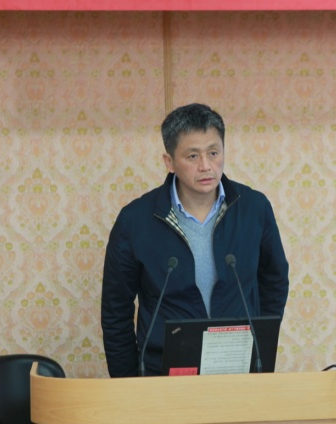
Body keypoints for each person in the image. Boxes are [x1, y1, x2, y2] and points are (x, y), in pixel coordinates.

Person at [101, 103, 290, 377]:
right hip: (163, 373)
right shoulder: (135, 221)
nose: (206, 166)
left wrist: (259, 343)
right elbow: (115, 311)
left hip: (237, 367)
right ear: (169, 162)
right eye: (192, 156)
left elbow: (275, 281)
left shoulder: (254, 208)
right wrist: (128, 384)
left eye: (213, 153)